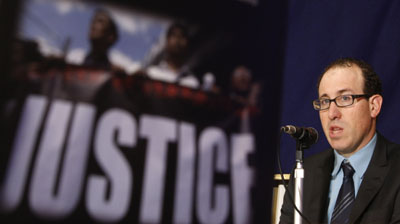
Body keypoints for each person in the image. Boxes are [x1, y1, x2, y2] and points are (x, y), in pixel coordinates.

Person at [279, 57, 400, 224]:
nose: (332, 113)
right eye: (325, 101)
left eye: (345, 98)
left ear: (374, 106)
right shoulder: (306, 173)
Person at [146, 22, 200, 88]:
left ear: (188, 44)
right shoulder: (151, 74)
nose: (178, 40)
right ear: (167, 42)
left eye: (182, 36)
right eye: (174, 35)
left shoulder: (193, 82)